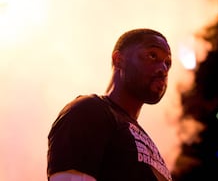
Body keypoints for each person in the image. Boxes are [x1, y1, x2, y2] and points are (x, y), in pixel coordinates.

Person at [47, 28, 173, 181]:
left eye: (167, 63)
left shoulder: (144, 138)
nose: (163, 69)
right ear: (119, 60)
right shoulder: (89, 111)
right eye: (153, 55)